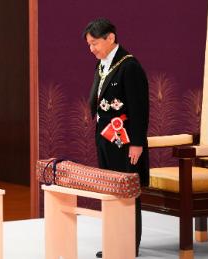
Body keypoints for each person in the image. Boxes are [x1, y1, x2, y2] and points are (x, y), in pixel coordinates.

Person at [83, 18, 149, 258]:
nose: (92, 49)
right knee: (110, 192)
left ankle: (129, 245)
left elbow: (139, 108)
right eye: (89, 45)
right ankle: (113, 240)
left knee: (127, 192)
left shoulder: (129, 66)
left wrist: (137, 143)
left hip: (126, 141)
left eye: (94, 43)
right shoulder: (103, 64)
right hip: (105, 137)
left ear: (110, 38)